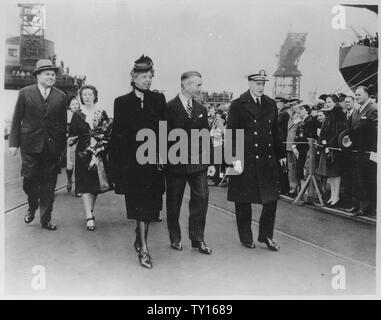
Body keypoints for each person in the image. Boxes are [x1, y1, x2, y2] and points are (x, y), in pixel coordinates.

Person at [108, 55, 166, 269]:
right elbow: (117, 135)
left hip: (152, 163)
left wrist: (163, 154)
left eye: (150, 76)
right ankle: (144, 249)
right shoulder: (121, 102)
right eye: (143, 76)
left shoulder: (158, 100)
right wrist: (114, 166)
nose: (148, 80)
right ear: (133, 77)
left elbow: (164, 130)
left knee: (150, 208)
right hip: (131, 165)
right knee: (138, 206)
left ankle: (140, 240)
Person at [226, 70, 286, 251]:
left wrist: (281, 154)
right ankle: (246, 237)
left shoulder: (270, 104)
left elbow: (276, 132)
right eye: (257, 84)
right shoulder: (238, 104)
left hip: (267, 160)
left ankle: (266, 235)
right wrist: (233, 160)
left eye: (263, 84)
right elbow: (231, 134)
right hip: (245, 160)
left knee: (271, 200)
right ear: (250, 84)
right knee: (243, 201)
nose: (261, 87)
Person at [8, 59, 67, 230]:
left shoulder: (61, 96)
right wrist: (13, 143)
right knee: (30, 180)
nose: (51, 77)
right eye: (47, 74)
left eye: (53, 74)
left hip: (52, 148)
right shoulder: (25, 93)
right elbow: (16, 119)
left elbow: (62, 124)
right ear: (38, 76)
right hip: (30, 145)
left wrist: (61, 148)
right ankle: (32, 204)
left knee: (49, 184)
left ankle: (46, 219)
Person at [165, 71, 215, 255]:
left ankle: (198, 239)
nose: (201, 88)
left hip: (198, 163)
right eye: (198, 85)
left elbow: (206, 136)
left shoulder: (201, 109)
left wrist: (210, 162)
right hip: (175, 163)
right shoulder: (169, 107)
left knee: (201, 198)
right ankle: (175, 237)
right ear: (185, 85)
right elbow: (163, 136)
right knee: (174, 201)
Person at [69, 85, 113, 231]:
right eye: (84, 94)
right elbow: (72, 134)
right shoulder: (77, 115)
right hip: (83, 154)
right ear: (81, 97)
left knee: (95, 185)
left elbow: (107, 134)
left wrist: (102, 144)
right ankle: (89, 215)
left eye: (90, 94)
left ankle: (90, 212)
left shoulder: (101, 113)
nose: (87, 97)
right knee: (85, 184)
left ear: (95, 96)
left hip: (98, 154)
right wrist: (72, 139)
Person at [347, 86, 377, 216]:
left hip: (367, 150)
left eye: (359, 95)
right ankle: (357, 204)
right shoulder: (357, 110)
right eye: (356, 95)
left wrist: (374, 149)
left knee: (366, 179)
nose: (357, 97)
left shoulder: (373, 109)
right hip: (357, 150)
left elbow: (376, 131)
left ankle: (366, 207)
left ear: (367, 95)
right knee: (357, 178)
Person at [315, 94, 346, 207]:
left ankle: (336, 196)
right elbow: (324, 131)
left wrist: (328, 144)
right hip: (327, 147)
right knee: (330, 174)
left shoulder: (339, 114)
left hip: (334, 148)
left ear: (335, 103)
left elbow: (339, 132)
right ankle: (332, 196)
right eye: (326, 102)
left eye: (329, 102)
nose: (327, 104)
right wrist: (323, 141)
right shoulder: (329, 114)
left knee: (335, 173)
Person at [291, 104, 319, 192]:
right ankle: (303, 191)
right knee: (300, 170)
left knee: (305, 170)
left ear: (307, 111)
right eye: (299, 109)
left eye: (302, 109)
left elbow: (308, 135)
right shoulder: (302, 121)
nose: (299, 111)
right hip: (301, 148)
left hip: (306, 148)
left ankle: (306, 192)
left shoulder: (309, 121)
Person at [66, 95, 81, 196]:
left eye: (76, 104)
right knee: (70, 166)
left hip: (81, 142)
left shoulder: (82, 114)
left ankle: (78, 188)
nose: (75, 106)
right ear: (69, 106)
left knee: (79, 165)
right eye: (73, 104)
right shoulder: (66, 116)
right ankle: (69, 181)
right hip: (70, 143)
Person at [276, 95, 291, 195]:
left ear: (281, 102)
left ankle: (283, 187)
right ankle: (282, 187)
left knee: (282, 166)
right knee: (281, 166)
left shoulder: (283, 113)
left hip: (281, 142)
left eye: (277, 102)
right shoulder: (281, 113)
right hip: (280, 141)